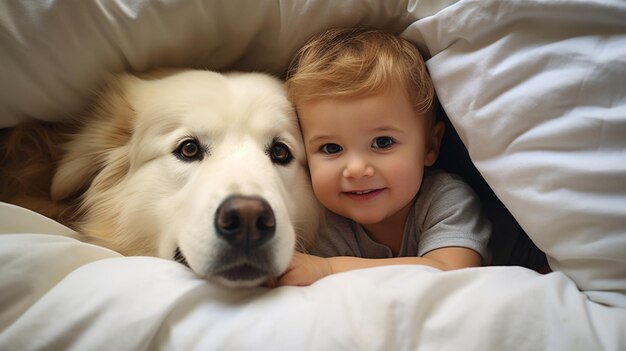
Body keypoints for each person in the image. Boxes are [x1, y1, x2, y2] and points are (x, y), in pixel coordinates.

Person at [275, 28, 491, 286]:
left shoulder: (446, 199)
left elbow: (449, 272)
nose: (355, 169)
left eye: (382, 142)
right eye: (331, 148)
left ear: (430, 147)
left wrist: (328, 268)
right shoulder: (324, 225)